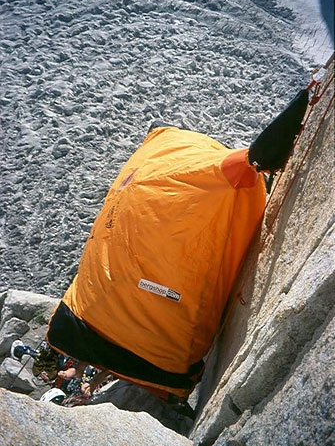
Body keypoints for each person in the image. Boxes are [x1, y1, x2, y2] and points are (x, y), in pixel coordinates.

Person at [45, 89, 309, 405]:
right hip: (154, 352)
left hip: (87, 316)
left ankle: (93, 367)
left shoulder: (160, 159)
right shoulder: (213, 178)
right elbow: (253, 158)